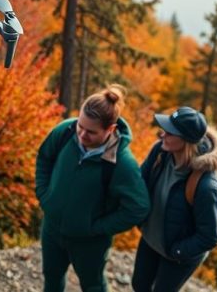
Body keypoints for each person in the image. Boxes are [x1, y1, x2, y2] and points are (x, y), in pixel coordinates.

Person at [35, 84, 151, 292]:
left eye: (91, 132)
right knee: (51, 279)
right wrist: (45, 196)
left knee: (93, 286)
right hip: (52, 230)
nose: (81, 135)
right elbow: (44, 158)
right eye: (80, 125)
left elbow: (138, 208)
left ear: (111, 130)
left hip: (89, 243)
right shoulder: (65, 131)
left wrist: (96, 228)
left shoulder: (122, 163)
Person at [131, 106, 217, 292]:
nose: (163, 134)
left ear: (186, 141)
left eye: (170, 132)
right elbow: (138, 182)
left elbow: (209, 237)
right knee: (139, 286)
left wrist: (176, 251)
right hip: (152, 239)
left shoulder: (206, 187)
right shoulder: (160, 152)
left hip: (178, 253)